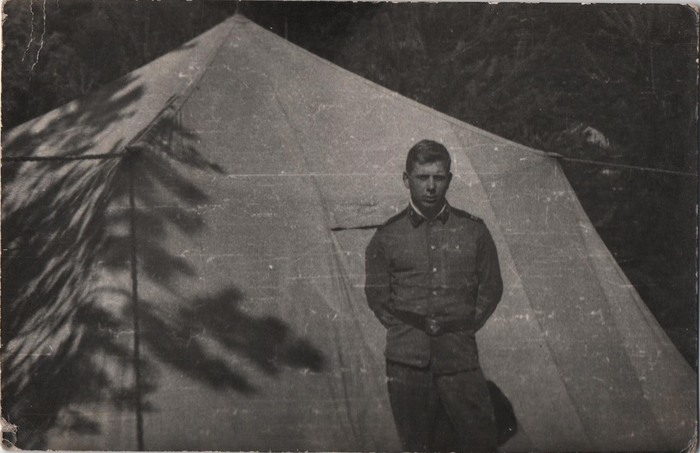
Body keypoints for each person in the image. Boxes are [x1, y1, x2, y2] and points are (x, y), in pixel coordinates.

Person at [364, 139, 503, 452]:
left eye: (438, 178)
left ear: (449, 180)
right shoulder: (387, 236)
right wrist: (409, 329)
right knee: (417, 445)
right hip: (406, 363)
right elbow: (377, 297)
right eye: (422, 177)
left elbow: (492, 287)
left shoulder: (474, 232)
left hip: (459, 357)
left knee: (479, 443)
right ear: (406, 179)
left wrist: (462, 325)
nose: (430, 186)